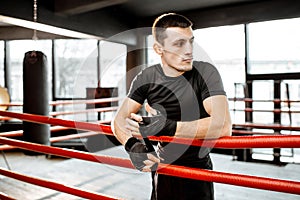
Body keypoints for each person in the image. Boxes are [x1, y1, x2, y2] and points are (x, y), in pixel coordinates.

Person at [112, 13, 232, 200]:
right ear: (159, 49)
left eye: (191, 42)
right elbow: (118, 120)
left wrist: (167, 126)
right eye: (179, 44)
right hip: (162, 169)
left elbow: (223, 125)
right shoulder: (146, 78)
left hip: (197, 170)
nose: (189, 50)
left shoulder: (205, 72)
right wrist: (133, 146)